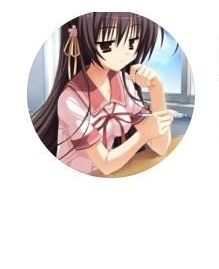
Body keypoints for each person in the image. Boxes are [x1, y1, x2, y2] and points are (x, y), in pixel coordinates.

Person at [30, 13, 174, 175]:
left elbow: (160, 147)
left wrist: (156, 87)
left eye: (132, 42)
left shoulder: (123, 83)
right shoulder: (71, 99)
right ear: (84, 40)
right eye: (108, 44)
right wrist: (144, 134)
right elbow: (105, 164)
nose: (124, 53)